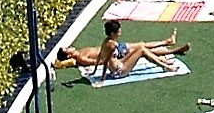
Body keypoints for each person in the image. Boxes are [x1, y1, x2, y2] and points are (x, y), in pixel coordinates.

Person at [53, 19, 189, 77]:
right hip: (119, 68)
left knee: (142, 48)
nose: (69, 47)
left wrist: (95, 72)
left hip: (118, 61)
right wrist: (101, 76)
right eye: (67, 49)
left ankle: (167, 53)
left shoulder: (102, 43)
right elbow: (100, 61)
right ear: (69, 55)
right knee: (142, 48)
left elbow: (100, 58)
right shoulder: (82, 57)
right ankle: (166, 61)